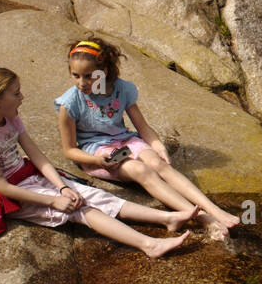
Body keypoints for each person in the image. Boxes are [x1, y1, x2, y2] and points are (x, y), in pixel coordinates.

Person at [0, 64, 195, 257]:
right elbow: (2, 186)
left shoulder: (10, 117)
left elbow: (37, 156)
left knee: (89, 195)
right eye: (16, 93)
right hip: (9, 195)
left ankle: (168, 218)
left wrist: (62, 186)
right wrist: (53, 201)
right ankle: (149, 245)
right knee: (79, 208)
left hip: (28, 174)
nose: (22, 97)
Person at [55, 37, 242, 241]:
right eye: (76, 75)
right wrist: (97, 161)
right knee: (141, 170)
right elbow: (69, 150)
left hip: (124, 141)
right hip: (96, 152)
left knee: (158, 163)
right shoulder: (70, 103)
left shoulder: (121, 89)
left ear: (104, 71)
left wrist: (157, 146)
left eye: (89, 76)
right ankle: (205, 219)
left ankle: (214, 209)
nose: (82, 83)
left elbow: (142, 126)